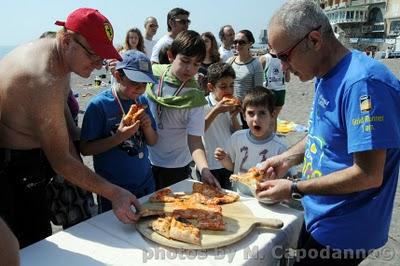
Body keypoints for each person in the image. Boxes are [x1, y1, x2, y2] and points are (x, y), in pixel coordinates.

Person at [257, 1, 400, 265]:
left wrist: (294, 189)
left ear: (314, 40)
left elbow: (368, 174)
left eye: (285, 56)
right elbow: (321, 136)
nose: (283, 67)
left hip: (346, 230)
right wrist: (286, 160)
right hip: (320, 216)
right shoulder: (324, 73)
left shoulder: (363, 84)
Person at [0, 8, 140, 248]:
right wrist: (114, 193)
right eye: (93, 55)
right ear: (66, 39)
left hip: (30, 156)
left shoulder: (57, 57)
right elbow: (61, 161)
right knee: (34, 246)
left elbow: (63, 118)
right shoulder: (42, 78)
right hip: (14, 167)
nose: (98, 66)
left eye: (102, 57)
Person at [80, 50, 158, 213]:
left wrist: (148, 127)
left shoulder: (142, 101)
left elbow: (153, 141)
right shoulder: (99, 106)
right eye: (135, 82)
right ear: (117, 76)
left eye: (145, 83)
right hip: (113, 190)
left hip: (145, 183)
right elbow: (85, 149)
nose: (140, 88)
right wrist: (119, 137)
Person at [146, 30, 220, 189]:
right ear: (171, 55)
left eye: (196, 64)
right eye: (185, 61)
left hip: (176, 167)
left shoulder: (195, 97)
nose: (189, 69)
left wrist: (204, 170)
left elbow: (194, 140)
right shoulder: (152, 75)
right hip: (144, 161)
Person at [215, 86, 289, 195]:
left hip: (266, 198)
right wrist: (224, 159)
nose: (256, 119)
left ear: (272, 115)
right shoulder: (237, 138)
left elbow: (286, 177)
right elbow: (233, 167)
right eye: (251, 113)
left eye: (262, 113)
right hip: (240, 195)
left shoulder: (280, 147)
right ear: (244, 116)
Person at [202, 62, 241, 189]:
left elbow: (237, 132)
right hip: (209, 163)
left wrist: (234, 117)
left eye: (231, 85)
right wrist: (216, 110)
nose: (228, 90)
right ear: (211, 87)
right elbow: (198, 131)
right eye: (223, 86)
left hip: (228, 161)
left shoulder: (232, 103)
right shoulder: (203, 104)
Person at [228, 29, 264, 128]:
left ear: (250, 44)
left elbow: (258, 92)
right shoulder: (229, 61)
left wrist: (244, 106)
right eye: (235, 42)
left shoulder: (256, 64)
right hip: (231, 108)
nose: (237, 45)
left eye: (242, 42)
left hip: (246, 110)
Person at [259, 48, 290, 116]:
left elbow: (258, 78)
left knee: (266, 117)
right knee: (275, 117)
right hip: (281, 91)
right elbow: (287, 79)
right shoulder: (285, 58)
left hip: (268, 91)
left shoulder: (263, 58)